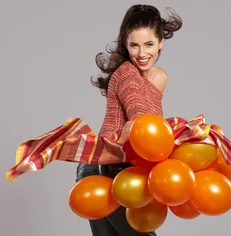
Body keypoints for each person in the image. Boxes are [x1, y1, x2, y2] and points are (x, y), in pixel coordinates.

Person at [75, 4, 182, 236]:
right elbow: (140, 117)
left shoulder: (158, 77)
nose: (142, 54)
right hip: (106, 169)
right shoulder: (126, 74)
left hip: (109, 166)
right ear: (125, 43)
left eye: (149, 44)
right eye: (134, 45)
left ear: (161, 41)